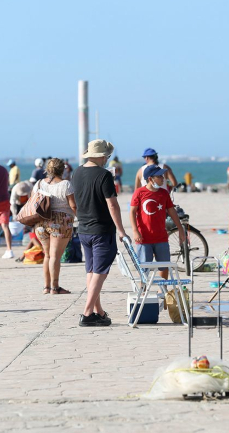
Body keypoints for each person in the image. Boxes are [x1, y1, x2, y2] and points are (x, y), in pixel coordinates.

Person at [73, 139, 128, 327]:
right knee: (100, 272)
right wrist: (121, 230)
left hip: (84, 229)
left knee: (91, 271)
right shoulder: (104, 175)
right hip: (102, 230)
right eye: (107, 156)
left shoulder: (76, 172)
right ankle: (87, 313)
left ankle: (99, 312)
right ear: (101, 156)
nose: (107, 159)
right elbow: (112, 204)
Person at [130, 165, 185, 279]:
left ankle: (163, 288)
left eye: (162, 176)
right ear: (150, 179)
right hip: (144, 238)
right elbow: (132, 212)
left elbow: (172, 211)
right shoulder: (139, 192)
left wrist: (180, 229)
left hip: (161, 237)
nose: (163, 178)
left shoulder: (164, 193)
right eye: (159, 176)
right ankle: (143, 288)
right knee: (144, 269)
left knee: (164, 266)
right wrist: (135, 231)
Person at [33, 158, 77, 295]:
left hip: (41, 222)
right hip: (61, 222)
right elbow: (73, 205)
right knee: (55, 257)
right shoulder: (65, 184)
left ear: (47, 169)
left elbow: (33, 201)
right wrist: (81, 218)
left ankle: (46, 287)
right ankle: (55, 287)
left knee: (47, 255)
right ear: (62, 169)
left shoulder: (39, 183)